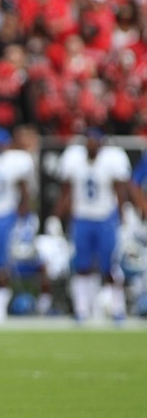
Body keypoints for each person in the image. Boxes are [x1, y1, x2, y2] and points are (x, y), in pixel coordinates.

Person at [53, 128, 131, 322]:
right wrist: (56, 216)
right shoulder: (74, 161)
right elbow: (67, 192)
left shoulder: (111, 161)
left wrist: (123, 215)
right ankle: (81, 309)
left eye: (95, 141)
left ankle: (117, 309)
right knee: (82, 265)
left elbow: (120, 190)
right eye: (89, 141)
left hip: (105, 217)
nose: (92, 145)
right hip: (82, 217)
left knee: (109, 266)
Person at [0, 127, 36, 322]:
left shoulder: (16, 160)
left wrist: (25, 217)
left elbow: (24, 190)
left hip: (5, 214)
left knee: (2, 263)